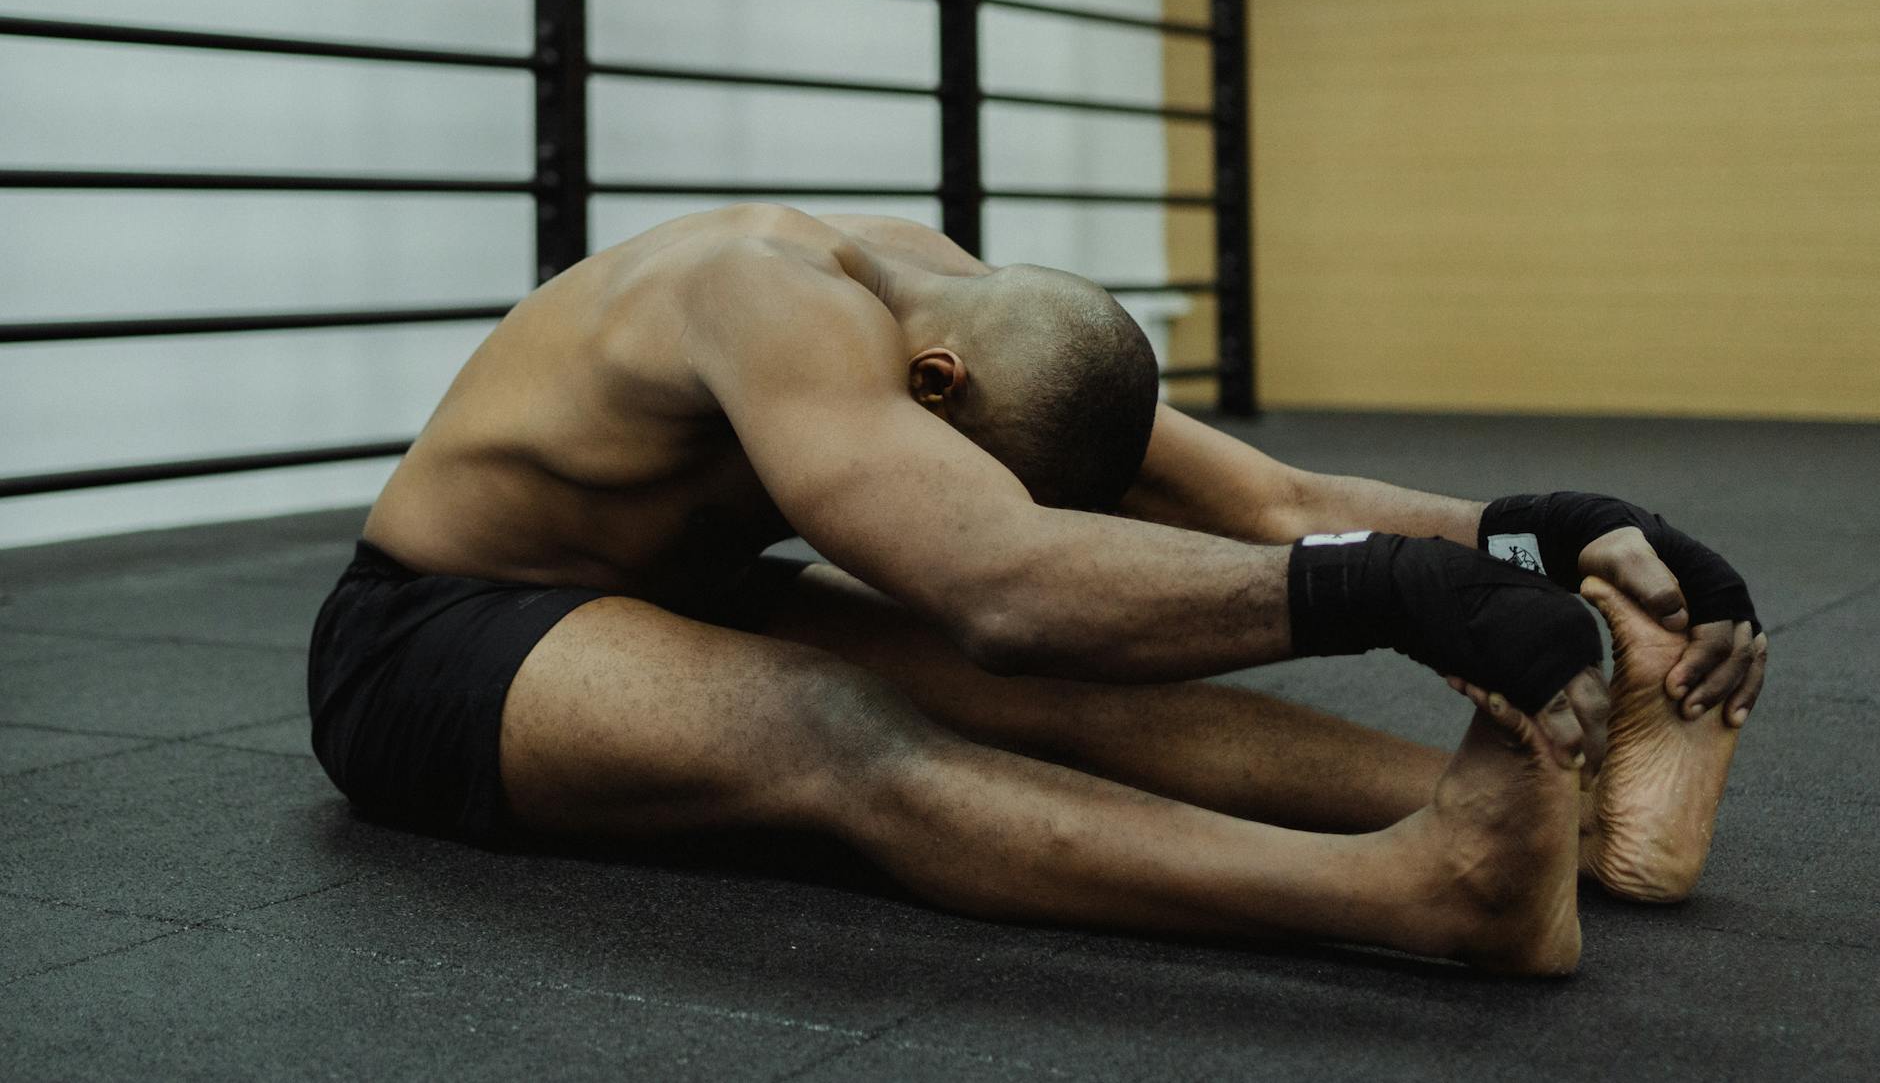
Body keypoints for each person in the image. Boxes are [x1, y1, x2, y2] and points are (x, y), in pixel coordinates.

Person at [308, 203, 1766, 975]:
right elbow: (1005, 590)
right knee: (839, 724)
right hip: (431, 634)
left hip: (676, 585)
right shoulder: (764, 304)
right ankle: (1427, 894)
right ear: (932, 387)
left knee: (1069, 685)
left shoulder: (974, 309)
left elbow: (1273, 504)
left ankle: (1589, 829)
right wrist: (1390, 596)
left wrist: (1554, 537)